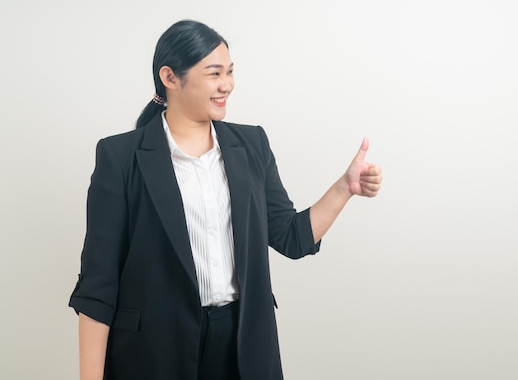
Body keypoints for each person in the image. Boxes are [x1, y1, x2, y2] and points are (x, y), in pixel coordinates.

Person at [69, 20, 382, 380]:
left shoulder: (251, 145)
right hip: (154, 349)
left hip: (244, 343)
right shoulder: (120, 157)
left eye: (230, 72)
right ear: (170, 77)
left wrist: (345, 187)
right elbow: (98, 286)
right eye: (214, 73)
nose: (227, 85)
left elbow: (291, 237)